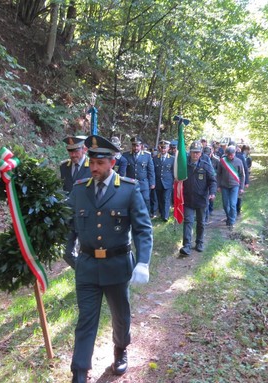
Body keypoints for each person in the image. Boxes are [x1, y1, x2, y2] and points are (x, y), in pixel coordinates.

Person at [67, 135, 153, 383]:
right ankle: (80, 371)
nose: (94, 167)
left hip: (117, 264)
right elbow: (65, 218)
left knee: (120, 314)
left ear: (113, 163)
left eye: (100, 163)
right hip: (87, 265)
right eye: (92, 162)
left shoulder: (128, 188)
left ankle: (120, 349)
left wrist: (143, 262)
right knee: (86, 320)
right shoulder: (79, 190)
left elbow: (143, 229)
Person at [179, 141, 217, 256]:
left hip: (201, 199)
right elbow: (178, 178)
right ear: (190, 153)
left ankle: (199, 242)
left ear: (201, 153)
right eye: (193, 152)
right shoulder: (184, 165)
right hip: (188, 199)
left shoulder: (205, 165)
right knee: (188, 222)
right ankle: (186, 246)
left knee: (200, 222)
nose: (195, 155)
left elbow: (213, 181)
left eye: (197, 153)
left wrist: (212, 192)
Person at [60, 136, 92, 269]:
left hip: (87, 216)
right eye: (70, 151)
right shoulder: (64, 167)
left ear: (84, 149)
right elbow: (63, 189)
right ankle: (83, 272)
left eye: (76, 151)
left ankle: (90, 277)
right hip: (70, 216)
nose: (73, 155)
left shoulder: (93, 166)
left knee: (88, 251)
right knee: (67, 253)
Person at [122, 136, 155, 213]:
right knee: (131, 201)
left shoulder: (147, 156)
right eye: (134, 145)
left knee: (146, 199)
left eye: (137, 145)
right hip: (130, 183)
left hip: (143, 182)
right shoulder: (126, 155)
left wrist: (152, 183)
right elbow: (123, 170)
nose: (135, 148)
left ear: (141, 146)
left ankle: (146, 217)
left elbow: (151, 170)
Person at [217, 145, 245, 228]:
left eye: (231, 154)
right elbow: (218, 174)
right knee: (226, 205)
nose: (230, 156)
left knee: (233, 204)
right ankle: (229, 217)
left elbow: (242, 175)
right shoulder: (222, 161)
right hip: (224, 186)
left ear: (234, 153)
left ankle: (232, 221)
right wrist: (218, 185)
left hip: (235, 185)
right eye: (228, 154)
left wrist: (242, 187)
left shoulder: (239, 161)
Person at [152, 140, 174, 221]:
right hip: (158, 183)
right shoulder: (155, 158)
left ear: (168, 148)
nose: (163, 149)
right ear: (159, 148)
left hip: (168, 183)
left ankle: (166, 216)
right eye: (161, 147)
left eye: (165, 148)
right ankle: (162, 213)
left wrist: (174, 182)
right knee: (160, 199)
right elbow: (153, 171)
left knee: (166, 199)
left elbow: (173, 171)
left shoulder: (172, 159)